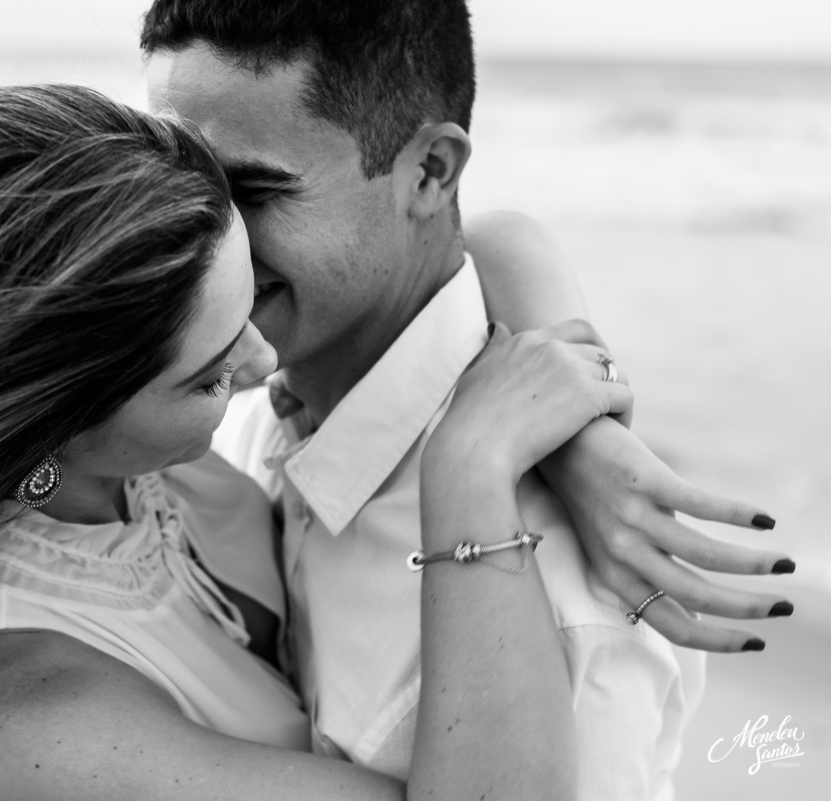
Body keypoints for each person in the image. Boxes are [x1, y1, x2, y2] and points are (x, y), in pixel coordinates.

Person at [0, 82, 645, 801]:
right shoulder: (24, 707)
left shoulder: (142, 462)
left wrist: (590, 432)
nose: (261, 365)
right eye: (208, 373)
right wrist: (471, 469)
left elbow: (484, 235)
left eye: (250, 304)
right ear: (48, 423)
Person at [140, 1, 796, 798]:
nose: (200, 239)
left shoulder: (562, 595)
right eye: (177, 183)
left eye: (255, 192)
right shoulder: (235, 399)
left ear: (429, 172)